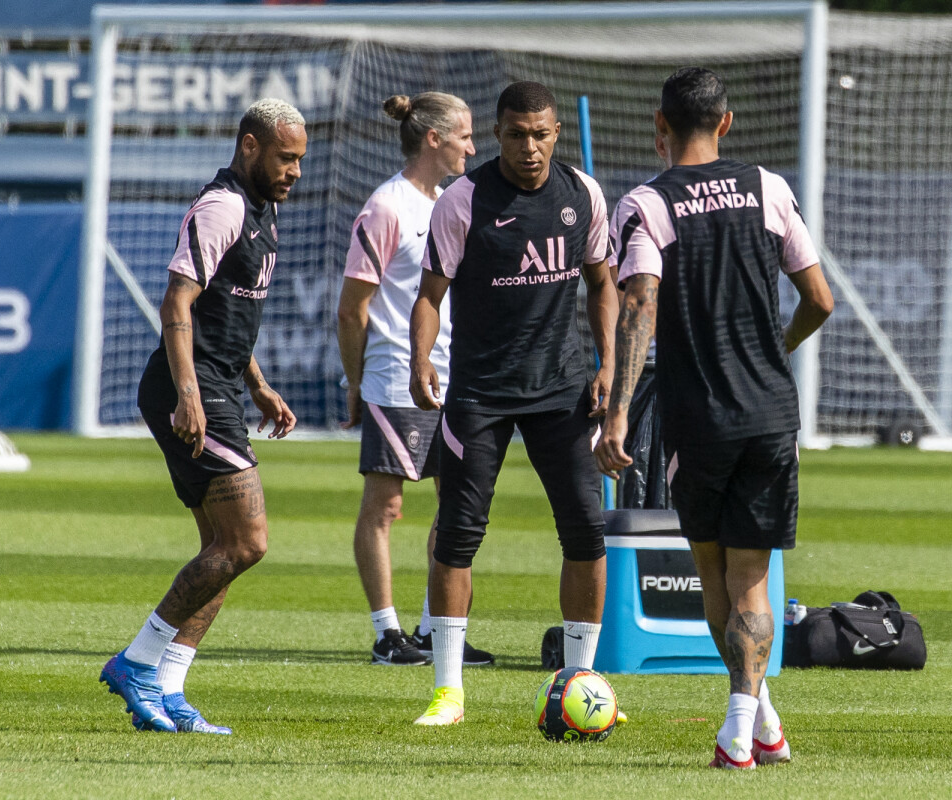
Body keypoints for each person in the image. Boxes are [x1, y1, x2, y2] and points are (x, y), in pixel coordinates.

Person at [595, 67, 833, 768]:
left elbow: (639, 306)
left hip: (697, 414)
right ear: (726, 122)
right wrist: (771, 349)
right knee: (752, 576)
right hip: (768, 410)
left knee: (712, 572)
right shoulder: (769, 188)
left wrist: (615, 417)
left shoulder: (645, 204)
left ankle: (737, 736)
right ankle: (763, 725)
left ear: (659, 127)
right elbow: (819, 299)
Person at [408, 80, 618, 726]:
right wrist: (422, 359)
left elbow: (603, 282)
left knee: (585, 531)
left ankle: (581, 678)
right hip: (480, 394)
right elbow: (428, 295)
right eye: (519, 134)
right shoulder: (463, 201)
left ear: (558, 133)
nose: (531, 147)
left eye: (542, 133)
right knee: (457, 537)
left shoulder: (583, 194)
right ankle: (448, 692)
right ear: (497, 134)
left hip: (562, 392)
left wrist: (609, 362)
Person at [99, 98, 307, 734]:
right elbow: (179, 301)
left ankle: (167, 690)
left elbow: (227, 318)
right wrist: (188, 391)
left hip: (218, 385)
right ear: (249, 146)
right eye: (285, 156)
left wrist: (261, 385)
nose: (295, 170)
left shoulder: (264, 212)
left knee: (221, 547)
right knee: (248, 541)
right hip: (189, 390)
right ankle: (137, 661)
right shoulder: (222, 207)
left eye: (300, 159)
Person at [337, 91, 493, 667]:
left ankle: (436, 631)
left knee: (458, 508)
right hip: (396, 380)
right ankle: (386, 632)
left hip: (461, 378)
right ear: (434, 138)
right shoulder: (386, 206)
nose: (473, 148)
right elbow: (353, 308)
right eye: (465, 136)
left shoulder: (463, 202)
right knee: (386, 506)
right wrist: (358, 382)